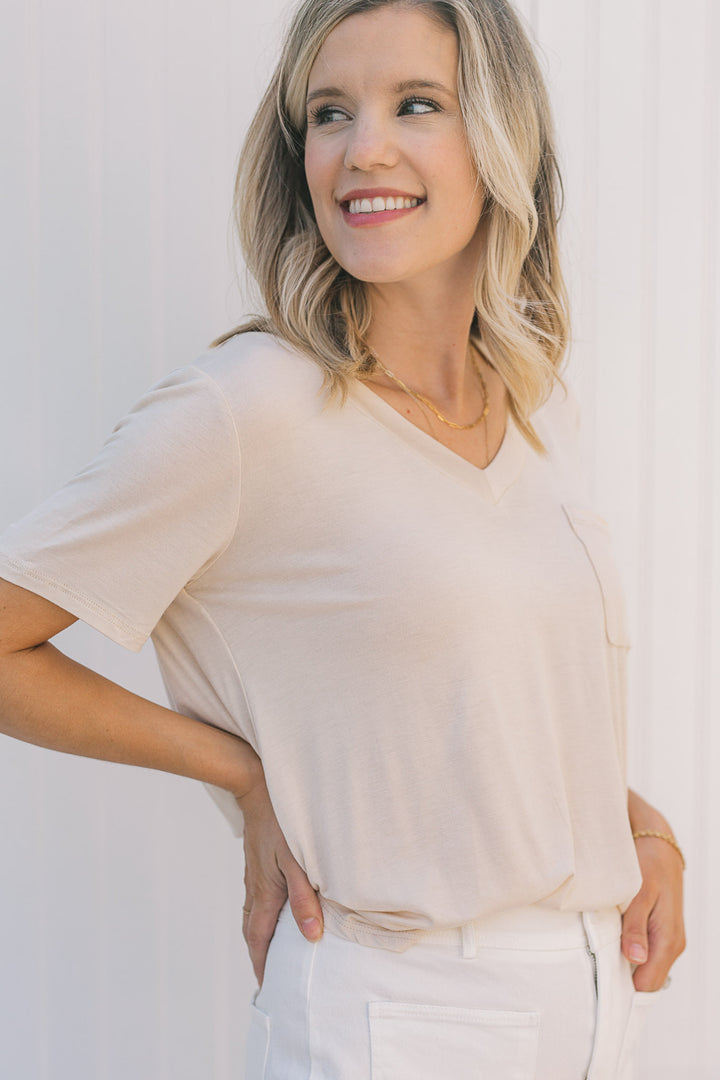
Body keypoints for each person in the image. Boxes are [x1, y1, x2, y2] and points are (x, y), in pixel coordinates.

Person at [0, 0, 685, 1077]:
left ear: (502, 142)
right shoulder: (250, 409)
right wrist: (241, 772)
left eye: (417, 104)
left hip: (596, 1013)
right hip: (400, 1016)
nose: (362, 148)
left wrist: (640, 830)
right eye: (328, 113)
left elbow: (480, 720)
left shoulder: (540, 413)